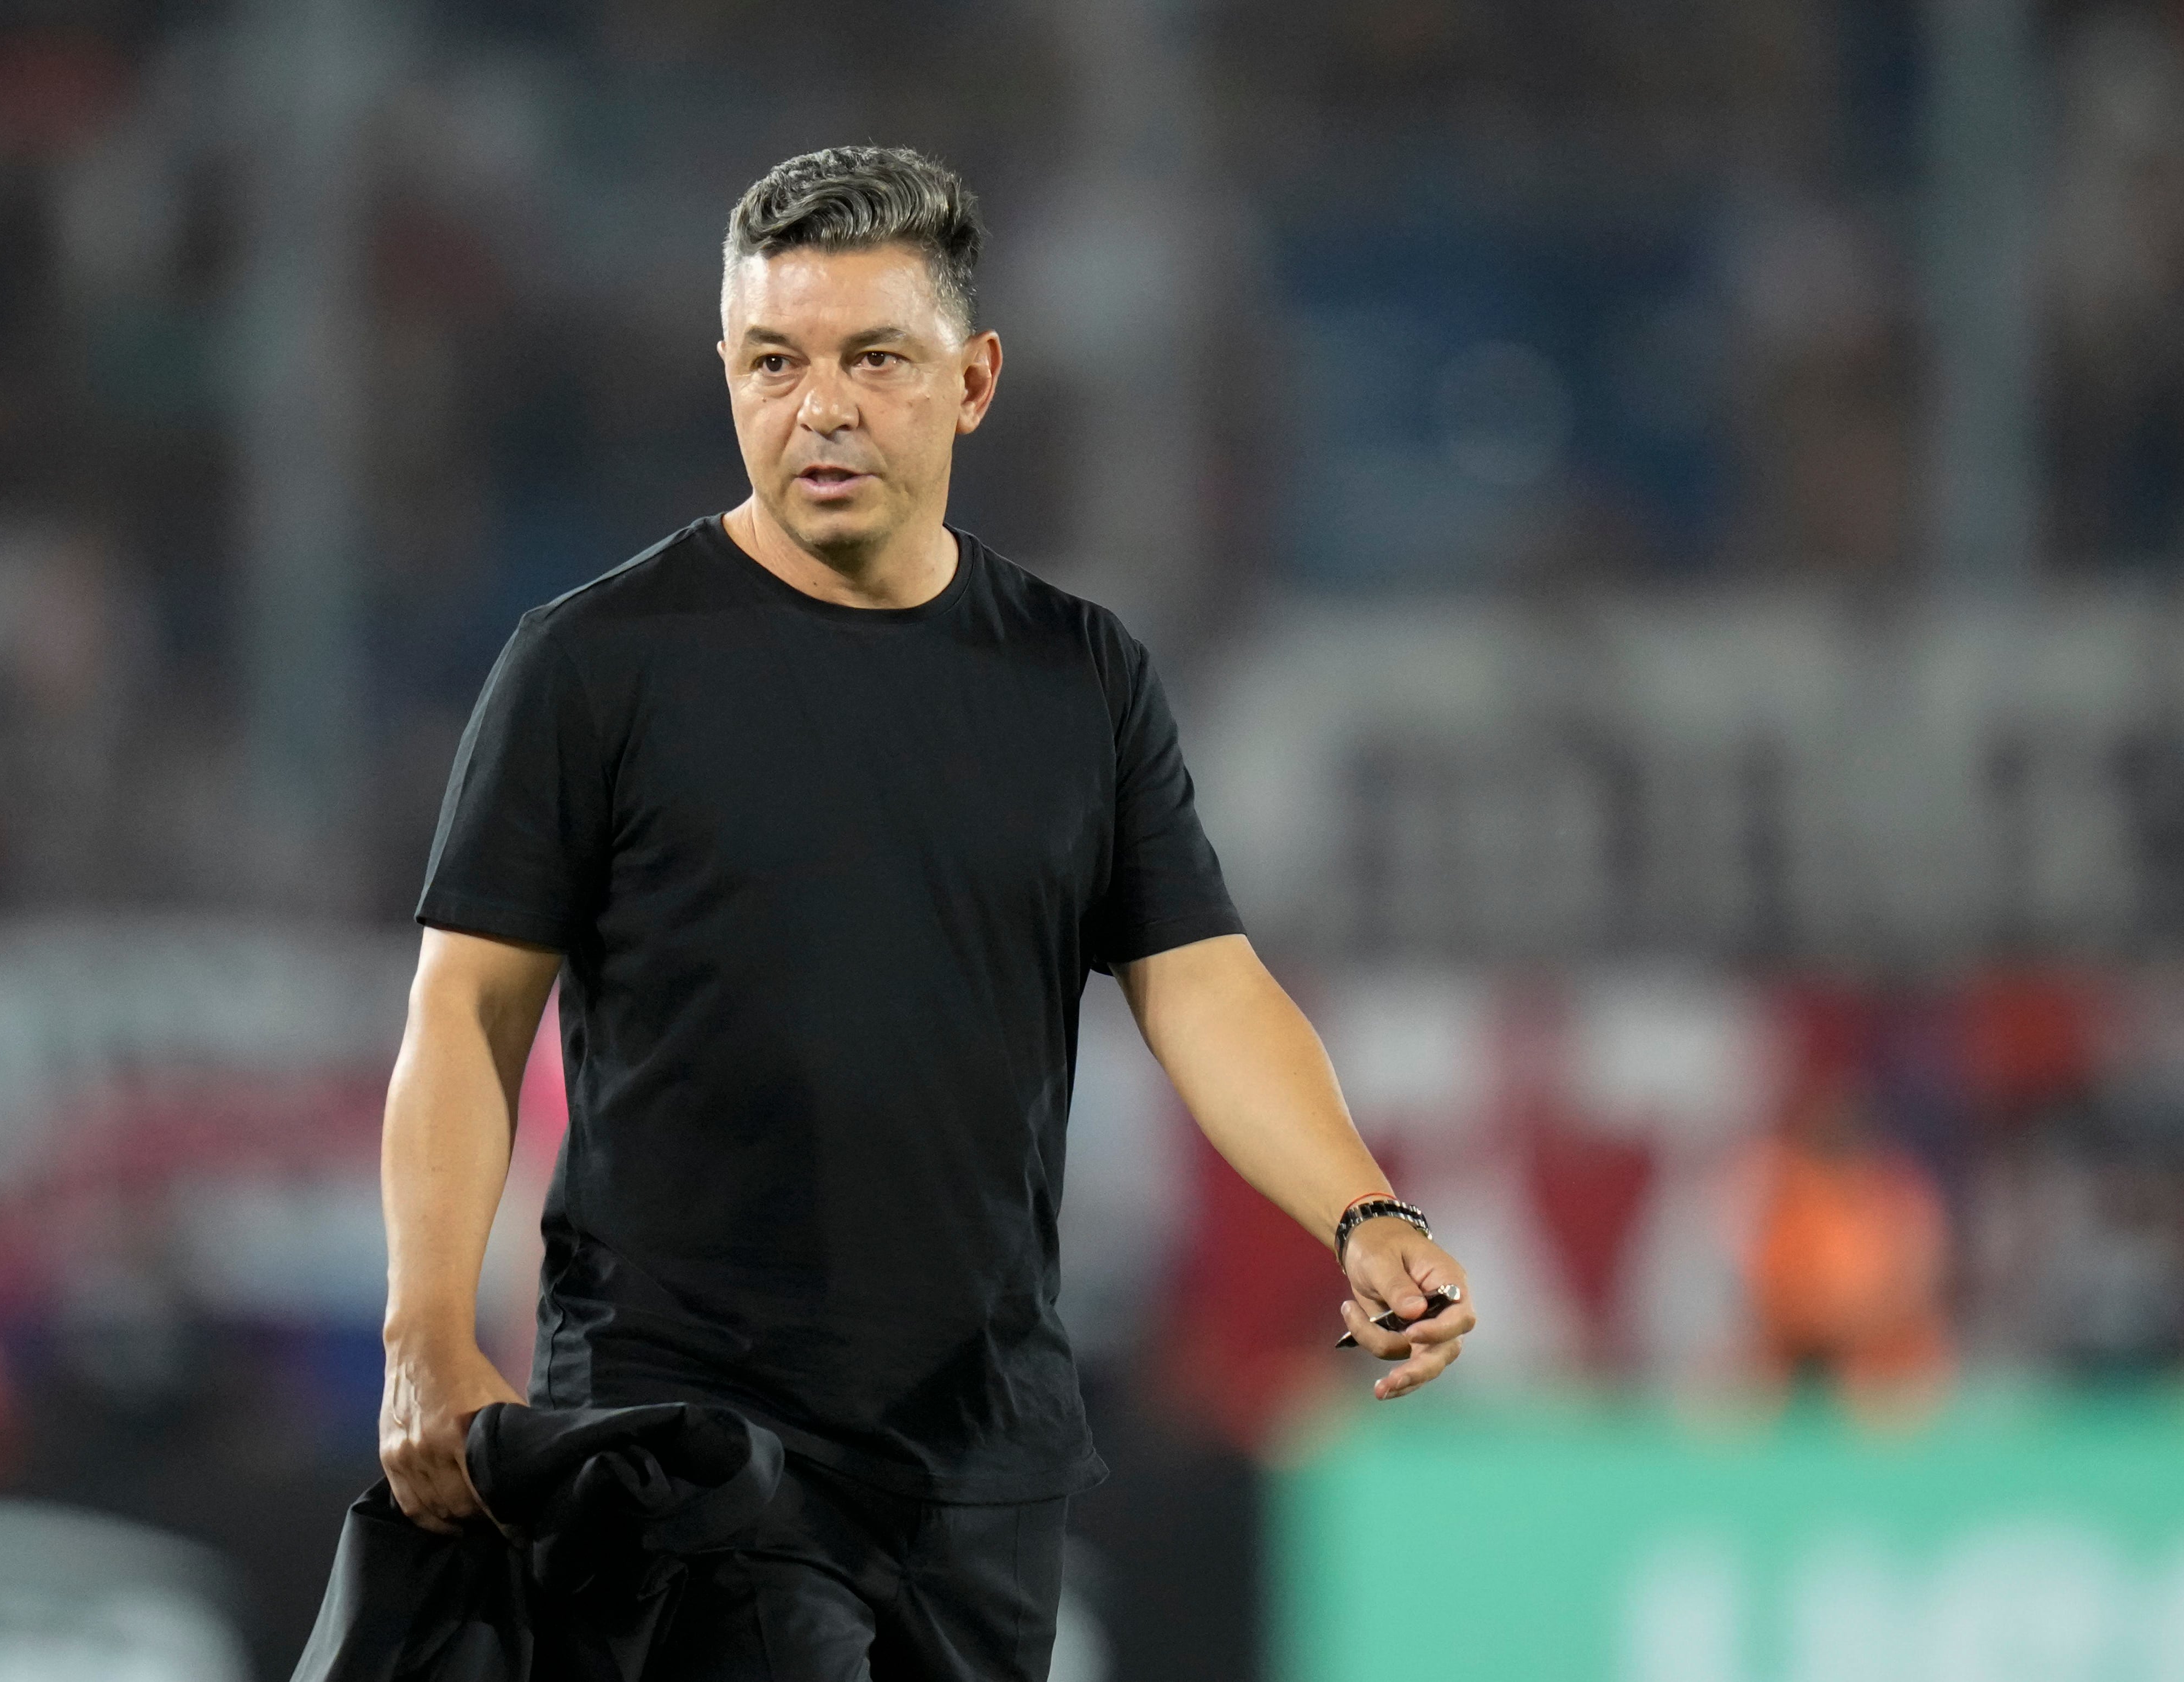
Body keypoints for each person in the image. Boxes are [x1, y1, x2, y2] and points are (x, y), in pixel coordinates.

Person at [377, 144, 1476, 1680]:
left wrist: (1362, 1208)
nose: (818, 405)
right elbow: (466, 1010)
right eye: (773, 359)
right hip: (683, 1427)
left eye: (873, 358)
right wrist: (425, 1331)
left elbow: (1200, 984)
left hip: (976, 1449)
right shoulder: (590, 665)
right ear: (724, 374)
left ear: (973, 380)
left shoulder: (1077, 679)